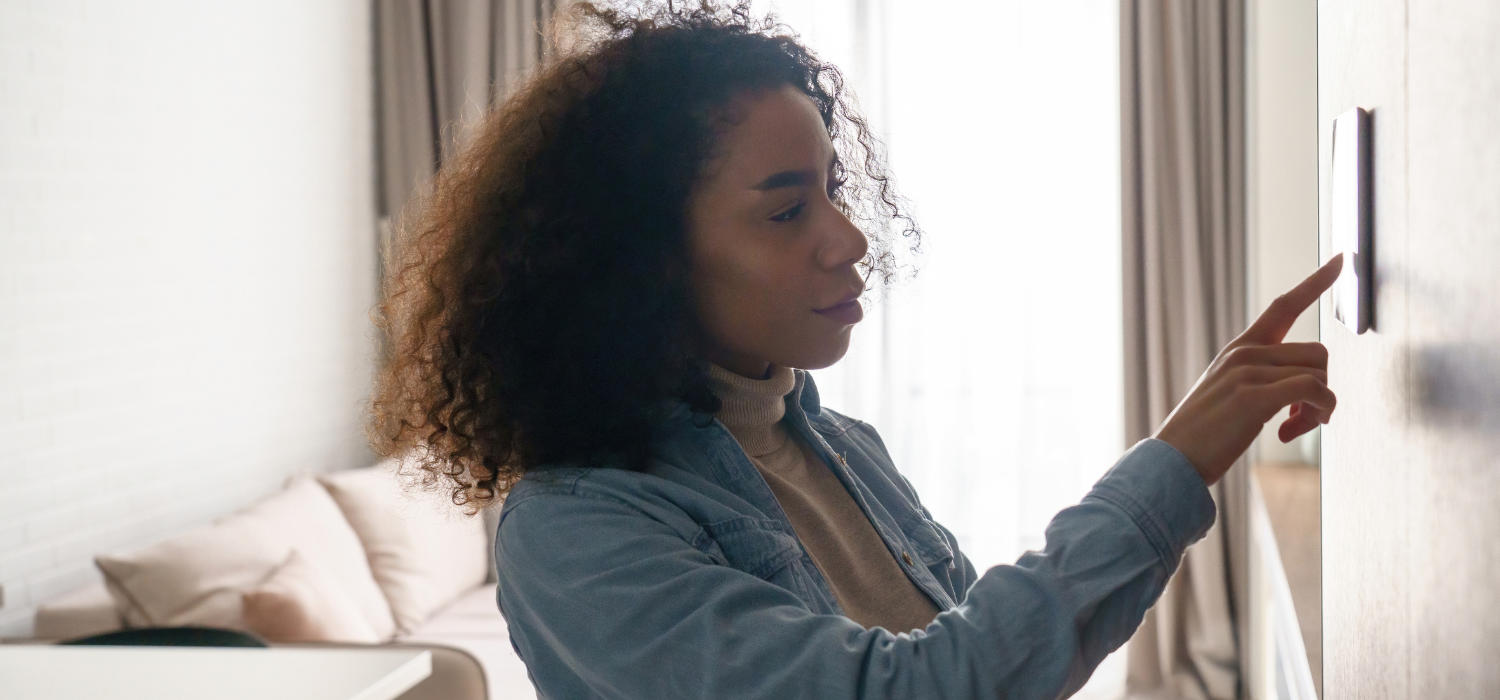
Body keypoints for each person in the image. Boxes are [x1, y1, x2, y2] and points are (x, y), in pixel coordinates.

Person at [368, 2, 1340, 698]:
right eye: (788, 208)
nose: (848, 237)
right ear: (641, 260)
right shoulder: (574, 529)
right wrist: (1171, 466)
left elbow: (995, 654)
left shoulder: (843, 447)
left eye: (833, 190)